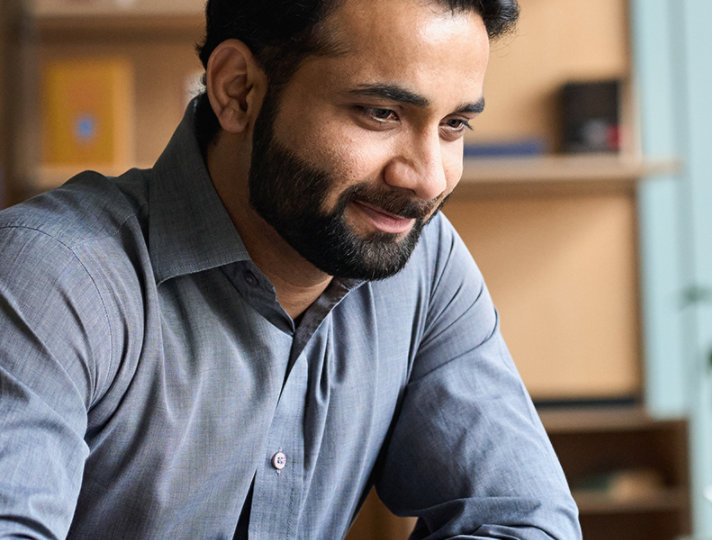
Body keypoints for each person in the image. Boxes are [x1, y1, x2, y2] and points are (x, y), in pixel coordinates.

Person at [0, 0, 581, 537]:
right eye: (380, 113)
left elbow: (526, 522)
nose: (428, 179)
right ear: (238, 91)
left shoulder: (422, 263)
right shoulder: (52, 273)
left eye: (454, 125)